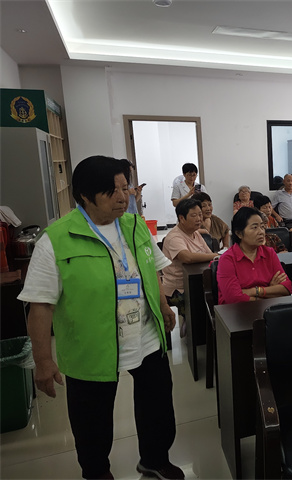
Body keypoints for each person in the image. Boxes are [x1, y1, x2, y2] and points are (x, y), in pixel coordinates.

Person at [17, 156, 184, 480]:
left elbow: (151, 270)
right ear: (85, 195)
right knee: (91, 420)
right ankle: (96, 473)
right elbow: (41, 306)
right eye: (112, 191)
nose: (123, 197)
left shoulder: (135, 226)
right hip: (91, 345)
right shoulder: (57, 240)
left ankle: (155, 459)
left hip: (146, 335)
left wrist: (164, 307)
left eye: (125, 188)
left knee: (158, 406)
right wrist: (43, 361)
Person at [162, 198, 219, 335]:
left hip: (197, 280)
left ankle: (209, 330)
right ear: (182, 218)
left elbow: (209, 254)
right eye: (194, 215)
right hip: (178, 288)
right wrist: (218, 255)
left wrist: (215, 256)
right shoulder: (174, 237)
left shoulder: (195, 233)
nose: (199, 219)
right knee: (204, 301)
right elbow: (187, 257)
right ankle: (192, 324)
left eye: (200, 214)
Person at [217, 207, 292, 304]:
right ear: (239, 233)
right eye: (254, 227)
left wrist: (255, 291)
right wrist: (270, 290)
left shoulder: (269, 253)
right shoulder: (227, 259)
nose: (261, 232)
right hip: (236, 311)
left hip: (267, 309)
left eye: (262, 227)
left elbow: (287, 288)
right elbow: (234, 298)